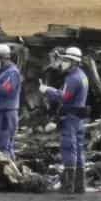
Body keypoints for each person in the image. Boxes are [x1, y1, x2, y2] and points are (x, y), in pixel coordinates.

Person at [40, 46, 89, 193]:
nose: (62, 63)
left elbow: (64, 97)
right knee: (79, 149)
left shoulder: (73, 78)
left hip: (70, 117)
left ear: (73, 62)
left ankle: (68, 186)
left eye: (66, 60)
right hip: (79, 117)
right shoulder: (82, 75)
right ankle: (79, 186)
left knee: (69, 148)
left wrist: (47, 90)